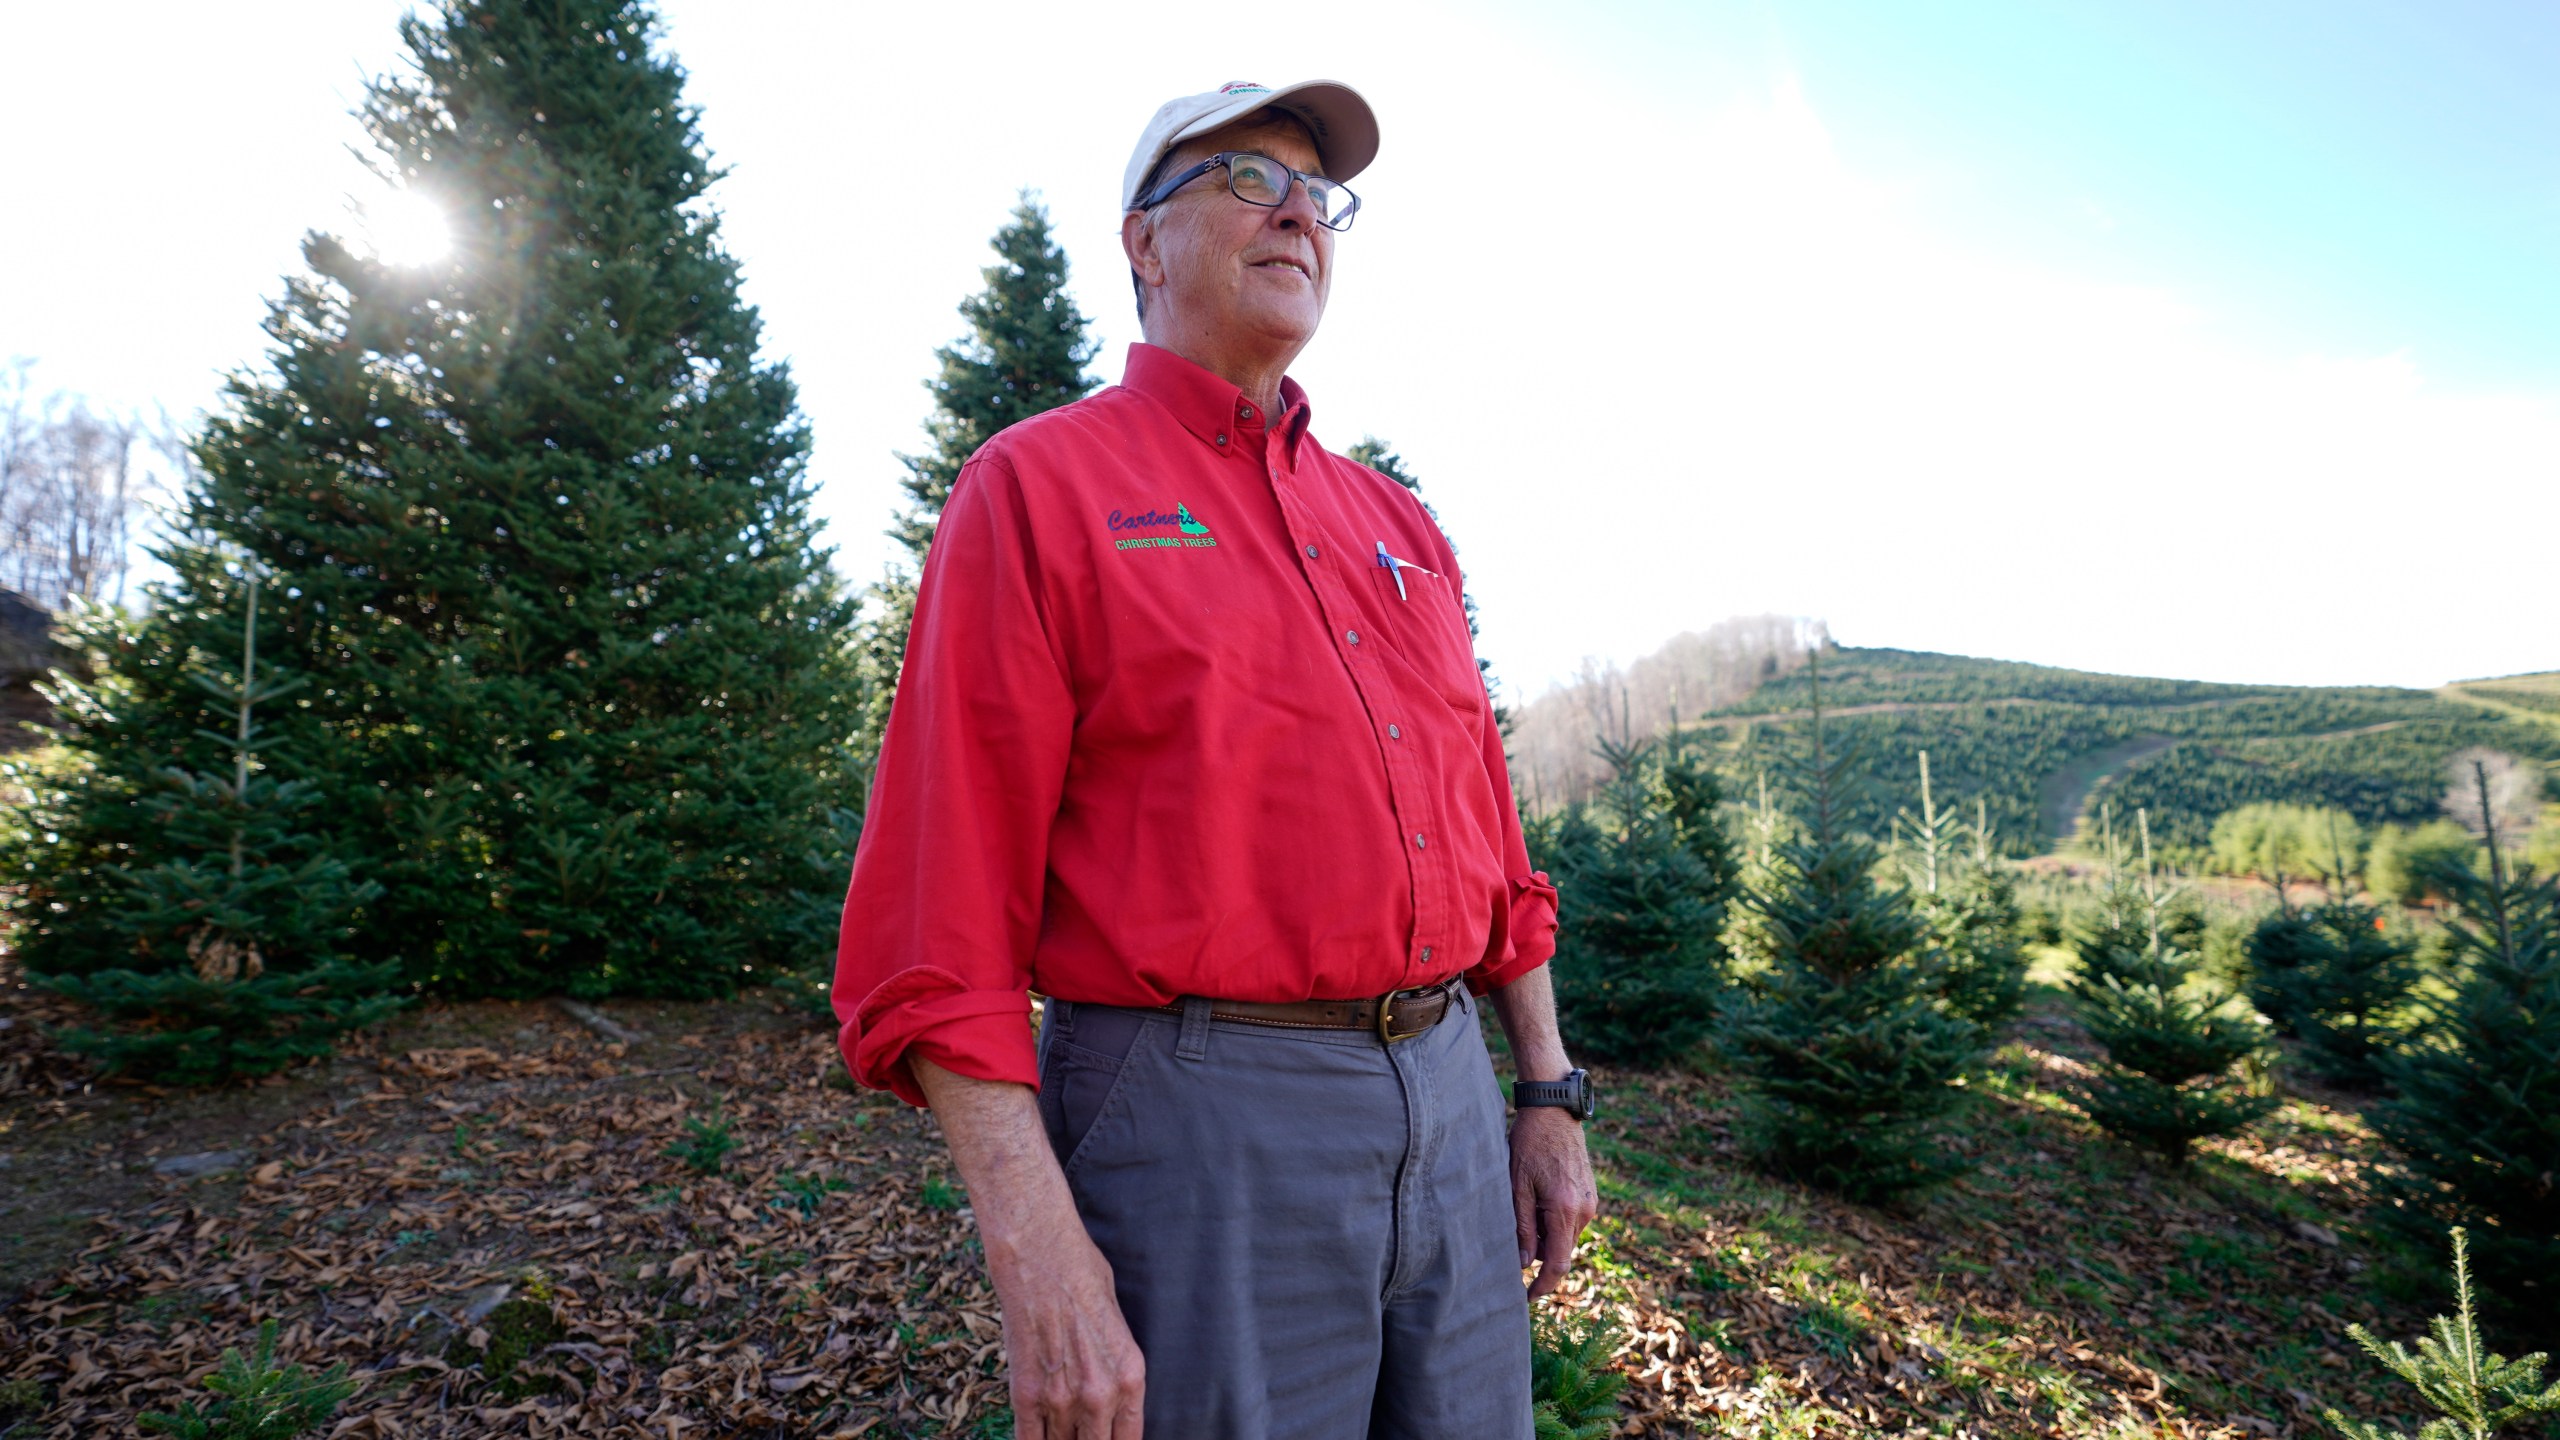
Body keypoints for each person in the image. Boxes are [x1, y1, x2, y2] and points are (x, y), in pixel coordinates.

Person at [834, 78, 1598, 1440]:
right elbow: (934, 927)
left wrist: (1544, 1093)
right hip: (1199, 1118)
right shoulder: (1038, 488)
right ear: (1142, 241)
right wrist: (1038, 1256)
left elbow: (1492, 840)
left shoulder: (1398, 527)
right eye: (1250, 176)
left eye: (1321, 193)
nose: (1299, 210)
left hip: (1451, 1088)